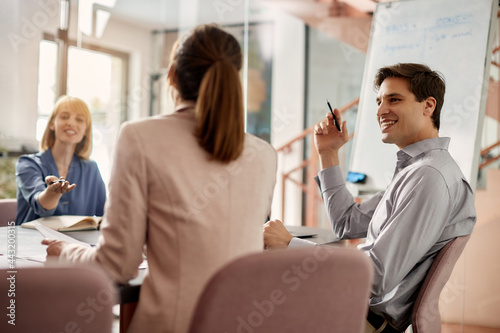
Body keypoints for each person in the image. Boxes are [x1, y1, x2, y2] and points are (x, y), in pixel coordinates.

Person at [42, 24, 277, 333]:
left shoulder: (139, 137)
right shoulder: (265, 154)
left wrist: (65, 251)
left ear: (172, 77)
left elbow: (117, 266)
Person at [264, 63, 476, 332]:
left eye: (394, 100)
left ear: (428, 106)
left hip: (363, 320)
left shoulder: (429, 176)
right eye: (379, 101)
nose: (380, 111)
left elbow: (376, 277)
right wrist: (328, 154)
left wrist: (290, 244)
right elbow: (346, 223)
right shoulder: (416, 169)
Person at [15, 95, 106, 224]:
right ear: (52, 124)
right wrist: (52, 193)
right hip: (35, 242)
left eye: (79, 119)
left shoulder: (91, 168)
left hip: (79, 243)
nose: (71, 123)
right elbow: (41, 207)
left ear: (86, 130)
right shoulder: (28, 164)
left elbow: (106, 214)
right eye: (64, 117)